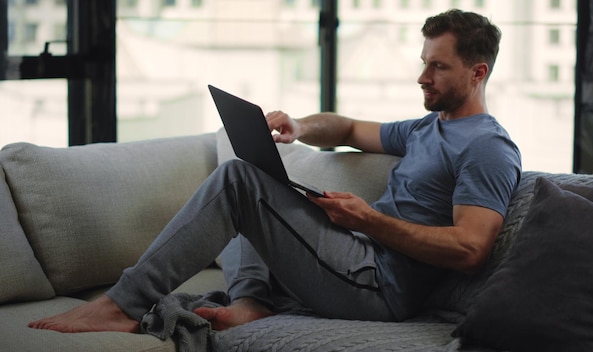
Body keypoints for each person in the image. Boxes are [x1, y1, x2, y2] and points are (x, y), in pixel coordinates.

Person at [29, 9, 521, 333]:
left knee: (239, 182)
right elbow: (348, 128)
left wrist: (368, 220)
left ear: (478, 73)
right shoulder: (426, 127)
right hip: (359, 258)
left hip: (382, 288)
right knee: (255, 173)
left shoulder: (487, 147)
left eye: (438, 67)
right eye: (423, 62)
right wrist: (300, 124)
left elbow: (471, 249)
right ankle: (252, 302)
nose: (422, 76)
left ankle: (121, 305)